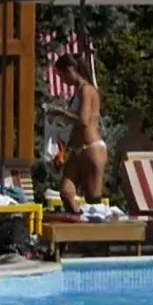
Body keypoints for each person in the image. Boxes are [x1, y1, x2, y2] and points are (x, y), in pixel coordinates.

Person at [50, 53, 105, 211]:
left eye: (62, 76)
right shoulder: (79, 91)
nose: (63, 81)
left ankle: (95, 228)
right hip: (78, 149)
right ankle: (79, 220)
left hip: (91, 147)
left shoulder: (86, 90)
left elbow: (83, 120)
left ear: (70, 70)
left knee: (93, 197)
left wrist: (60, 112)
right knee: (66, 192)